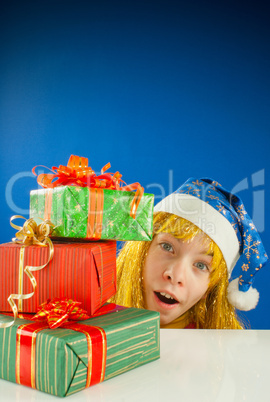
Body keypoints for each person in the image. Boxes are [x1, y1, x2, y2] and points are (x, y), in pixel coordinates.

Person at [110, 177, 268, 329]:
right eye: (167, 247)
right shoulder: (91, 319)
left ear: (210, 288)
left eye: (201, 265)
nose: (175, 275)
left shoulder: (216, 353)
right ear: (141, 251)